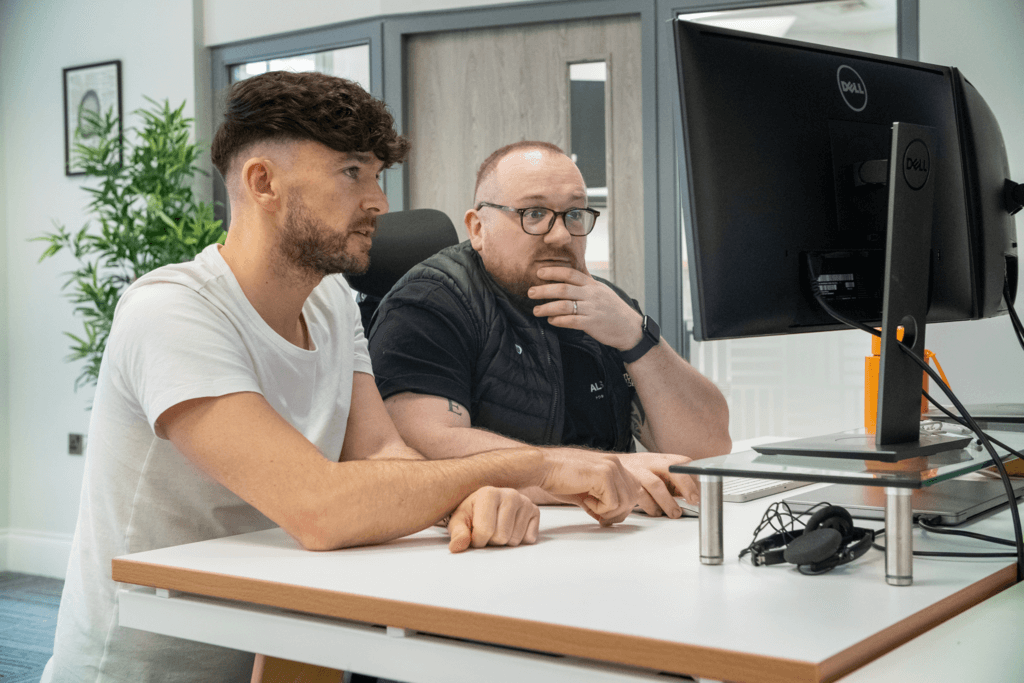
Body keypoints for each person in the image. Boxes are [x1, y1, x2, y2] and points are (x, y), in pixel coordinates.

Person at [42, 77, 640, 683]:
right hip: (146, 665)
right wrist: (529, 467)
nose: (379, 200)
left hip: (281, 636)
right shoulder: (172, 313)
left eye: (378, 175)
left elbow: (381, 451)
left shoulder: (329, 300)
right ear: (262, 183)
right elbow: (319, 507)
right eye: (352, 172)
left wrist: (458, 497)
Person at [367, 141, 732, 518]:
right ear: (478, 228)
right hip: (485, 551)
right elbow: (422, 448)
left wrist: (638, 337)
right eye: (534, 213)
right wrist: (587, 476)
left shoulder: (604, 306)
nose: (560, 236)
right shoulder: (430, 301)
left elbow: (707, 452)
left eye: (574, 214)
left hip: (609, 539)